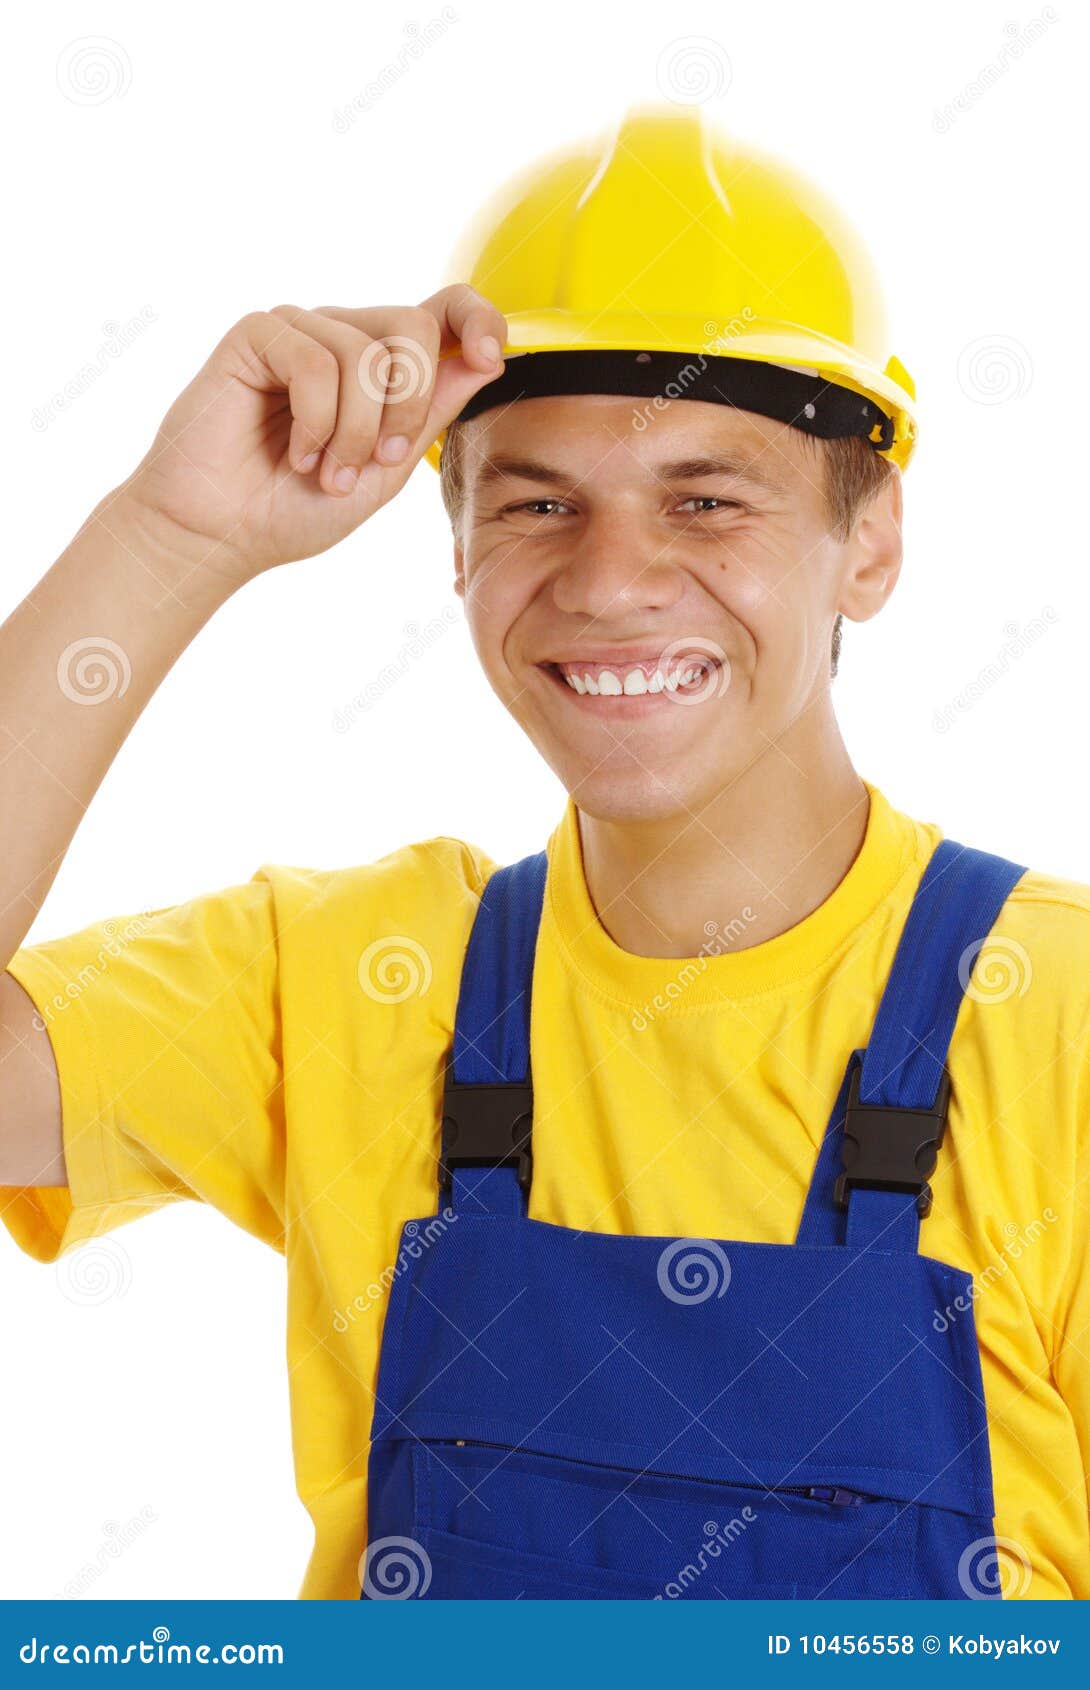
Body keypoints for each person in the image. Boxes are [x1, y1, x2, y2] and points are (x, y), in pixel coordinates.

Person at [1, 103, 1086, 1602]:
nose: (610, 580)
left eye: (705, 499)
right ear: (454, 544)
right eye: (537, 503)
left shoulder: (1057, 1020)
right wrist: (168, 538)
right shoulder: (349, 981)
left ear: (871, 537)